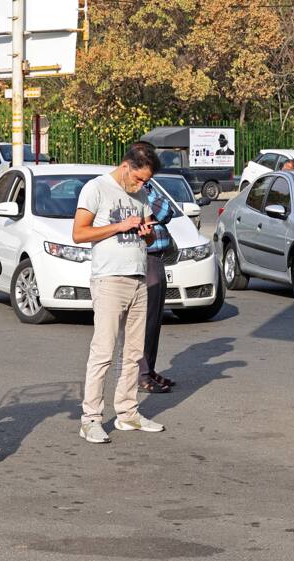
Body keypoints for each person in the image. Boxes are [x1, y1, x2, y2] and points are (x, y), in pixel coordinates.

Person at [73, 142, 164, 444]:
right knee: (103, 352)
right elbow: (80, 233)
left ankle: (127, 413)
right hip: (109, 280)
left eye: (146, 181)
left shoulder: (140, 194)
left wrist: (147, 232)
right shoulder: (96, 188)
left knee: (135, 353)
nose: (142, 185)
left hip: (138, 278)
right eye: (139, 179)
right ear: (126, 166)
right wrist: (119, 225)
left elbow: (149, 237)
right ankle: (91, 419)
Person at [139, 178, 176, 393]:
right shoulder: (137, 189)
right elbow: (163, 213)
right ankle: (140, 374)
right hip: (146, 257)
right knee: (144, 321)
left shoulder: (149, 186)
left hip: (158, 257)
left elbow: (168, 211)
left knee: (154, 322)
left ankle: (149, 370)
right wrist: (155, 200)